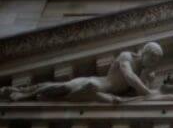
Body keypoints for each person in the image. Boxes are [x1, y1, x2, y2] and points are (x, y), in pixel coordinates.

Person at [3, 42, 164, 103]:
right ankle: (24, 93)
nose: (153, 63)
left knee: (65, 95)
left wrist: (147, 77)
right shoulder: (126, 56)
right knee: (64, 87)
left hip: (101, 94)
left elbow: (139, 96)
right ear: (145, 52)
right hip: (97, 83)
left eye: (156, 62)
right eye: (152, 59)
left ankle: (43, 98)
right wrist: (148, 91)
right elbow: (129, 77)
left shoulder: (144, 71)